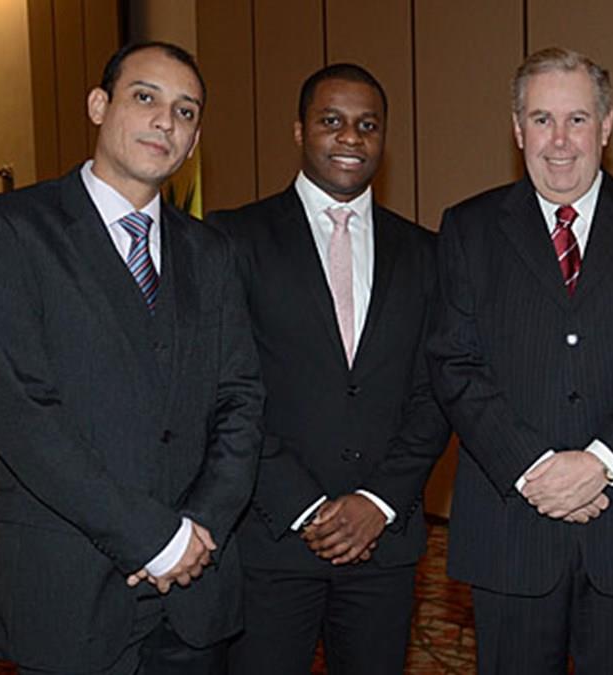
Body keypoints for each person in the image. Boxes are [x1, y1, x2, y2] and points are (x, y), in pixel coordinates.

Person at [0, 42, 264, 674]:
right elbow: (22, 414)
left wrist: (197, 531)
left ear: (194, 141)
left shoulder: (211, 253)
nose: (166, 121)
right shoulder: (7, 231)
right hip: (68, 590)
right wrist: (153, 538)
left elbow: (241, 400)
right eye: (145, 97)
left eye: (186, 111)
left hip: (196, 587)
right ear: (98, 105)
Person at [426, 47, 613, 674]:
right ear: (517, 129)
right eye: (542, 119)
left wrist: (601, 464)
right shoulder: (468, 229)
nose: (559, 140)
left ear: (606, 126)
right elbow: (454, 364)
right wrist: (537, 470)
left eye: (577, 119)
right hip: (512, 530)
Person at [206, 63, 450, 674]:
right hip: (271, 537)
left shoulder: (425, 252)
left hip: (382, 541)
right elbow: (223, 390)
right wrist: (303, 506)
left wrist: (378, 500)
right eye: (332, 121)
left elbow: (436, 393)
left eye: (368, 125)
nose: (350, 137)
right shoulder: (234, 239)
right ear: (299, 130)